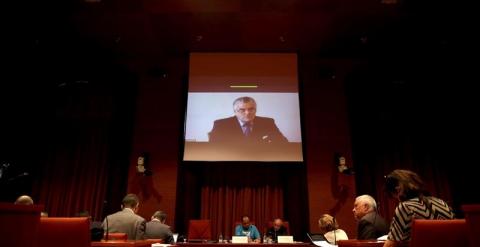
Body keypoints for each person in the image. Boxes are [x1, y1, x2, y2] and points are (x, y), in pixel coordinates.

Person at [383, 169, 455, 247]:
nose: (397, 200)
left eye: (394, 196)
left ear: (398, 190)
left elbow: (390, 245)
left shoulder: (405, 207)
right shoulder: (442, 203)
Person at [209, 96, 288, 144]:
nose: (247, 113)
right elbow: (213, 147)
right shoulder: (221, 124)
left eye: (251, 109)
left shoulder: (268, 122)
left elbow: (283, 143)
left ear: (256, 110)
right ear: (235, 112)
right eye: (242, 110)